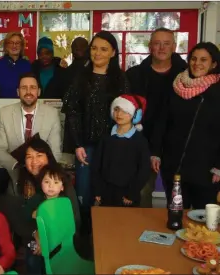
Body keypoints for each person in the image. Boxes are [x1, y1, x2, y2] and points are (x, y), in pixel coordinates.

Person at [62, 31, 129, 232]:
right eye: (94, 48)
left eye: (103, 49)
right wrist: (77, 145)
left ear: (113, 53)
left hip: (113, 147)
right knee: (85, 193)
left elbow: (127, 114)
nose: (97, 53)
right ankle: (86, 237)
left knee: (111, 192)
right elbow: (72, 113)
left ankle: (109, 236)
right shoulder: (80, 77)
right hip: (86, 147)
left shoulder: (120, 79)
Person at [151, 42, 220, 209]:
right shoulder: (176, 86)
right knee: (175, 216)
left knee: (201, 221)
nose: (197, 63)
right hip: (174, 166)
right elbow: (162, 122)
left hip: (206, 170)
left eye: (204, 60)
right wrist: (156, 153)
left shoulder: (217, 91)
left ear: (214, 64)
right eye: (194, 59)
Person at [126, 27, 187, 208]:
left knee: (178, 197)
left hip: (177, 143)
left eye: (166, 43)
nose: (162, 48)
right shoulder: (134, 75)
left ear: (174, 47)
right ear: (150, 47)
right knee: (141, 192)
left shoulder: (186, 75)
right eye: (157, 43)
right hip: (142, 141)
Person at [0, 72, 62, 197]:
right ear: (18, 92)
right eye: (24, 88)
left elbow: (55, 151)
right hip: (11, 164)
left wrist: (42, 170)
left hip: (40, 165)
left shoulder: (52, 114)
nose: (28, 92)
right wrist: (18, 167)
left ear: (38, 91)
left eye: (32, 88)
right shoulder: (5, 113)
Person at [92, 94, 151, 207]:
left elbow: (144, 170)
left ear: (135, 115)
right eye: (116, 109)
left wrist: (132, 193)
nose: (119, 114)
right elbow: (96, 166)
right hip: (106, 193)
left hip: (128, 195)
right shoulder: (106, 138)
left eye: (125, 111)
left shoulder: (140, 141)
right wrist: (98, 190)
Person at [23, 163, 70, 274]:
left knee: (58, 260)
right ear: (41, 183)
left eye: (56, 182)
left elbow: (65, 227)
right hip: (37, 239)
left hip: (57, 241)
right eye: (47, 182)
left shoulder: (64, 203)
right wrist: (38, 238)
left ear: (62, 186)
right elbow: (26, 215)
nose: (51, 186)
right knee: (31, 256)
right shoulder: (36, 199)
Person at [0, 32, 32, 107]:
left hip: (23, 107)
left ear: (22, 46)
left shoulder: (27, 65)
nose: (14, 45)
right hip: (2, 107)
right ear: (6, 46)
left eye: (17, 43)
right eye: (11, 43)